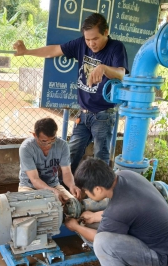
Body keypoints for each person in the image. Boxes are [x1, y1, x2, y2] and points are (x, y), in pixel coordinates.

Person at [13, 13, 128, 174]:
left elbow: (122, 73)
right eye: (87, 39)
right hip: (84, 113)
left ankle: (98, 195)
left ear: (106, 32)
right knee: (71, 153)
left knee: (100, 157)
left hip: (104, 115)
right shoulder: (81, 44)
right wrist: (26, 51)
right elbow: (54, 50)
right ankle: (64, 189)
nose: (91, 44)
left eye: (95, 39)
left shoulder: (116, 47)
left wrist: (103, 68)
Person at [65, 158, 168, 266]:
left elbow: (99, 235)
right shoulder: (126, 175)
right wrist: (94, 216)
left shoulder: (121, 208)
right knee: (97, 229)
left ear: (98, 189)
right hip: (163, 242)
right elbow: (119, 210)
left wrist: (76, 227)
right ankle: (126, 263)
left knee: (101, 242)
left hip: (161, 258)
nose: (86, 193)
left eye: (87, 191)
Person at [18, 117, 81, 202]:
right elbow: (35, 179)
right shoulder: (26, 148)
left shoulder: (62, 145)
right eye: (44, 141)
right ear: (34, 135)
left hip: (53, 185)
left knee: (73, 206)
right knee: (31, 209)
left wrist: (72, 185)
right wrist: (52, 191)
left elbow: (66, 172)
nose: (48, 144)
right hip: (29, 186)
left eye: (52, 139)